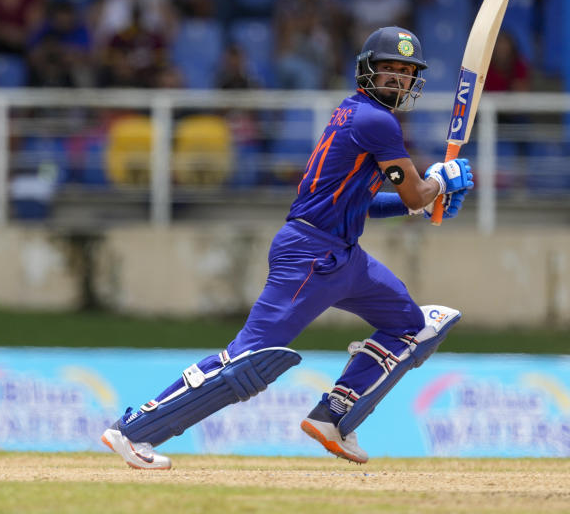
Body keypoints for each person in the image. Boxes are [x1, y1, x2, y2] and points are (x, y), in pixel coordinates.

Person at [101, 26, 474, 469]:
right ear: (366, 71)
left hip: (343, 255)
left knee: (409, 327)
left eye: (406, 72)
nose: (397, 79)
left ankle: (333, 417)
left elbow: (364, 203)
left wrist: (423, 198)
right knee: (249, 360)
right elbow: (416, 193)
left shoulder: (357, 115)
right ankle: (134, 431)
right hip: (311, 253)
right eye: (388, 69)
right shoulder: (376, 121)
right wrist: (437, 184)